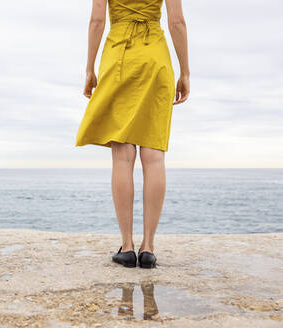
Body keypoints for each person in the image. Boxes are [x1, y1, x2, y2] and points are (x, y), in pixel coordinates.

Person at [75, 0, 190, 268]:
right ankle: (148, 248)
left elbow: (96, 21)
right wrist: (185, 72)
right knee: (154, 156)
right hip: (155, 57)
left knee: (123, 157)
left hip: (119, 58)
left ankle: (126, 247)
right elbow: (177, 22)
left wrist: (90, 68)